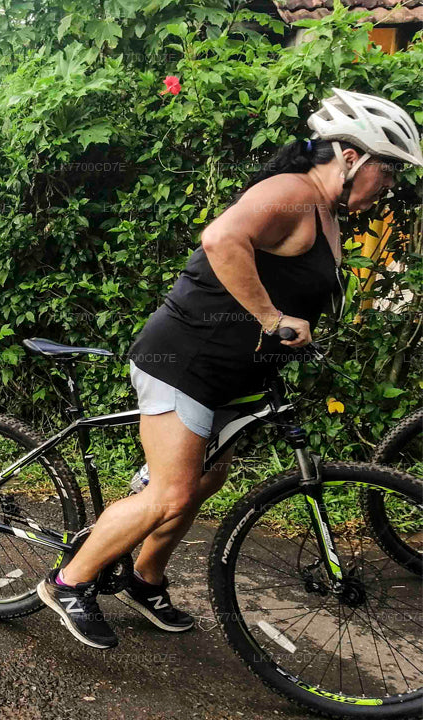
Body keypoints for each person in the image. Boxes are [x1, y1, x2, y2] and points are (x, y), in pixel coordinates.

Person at [38, 89, 421, 649]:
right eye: (387, 170)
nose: (389, 184)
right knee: (171, 493)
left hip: (235, 373)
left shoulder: (326, 210)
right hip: (187, 359)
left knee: (206, 480)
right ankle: (68, 582)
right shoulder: (291, 193)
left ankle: (144, 580)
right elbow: (220, 238)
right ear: (349, 157)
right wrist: (271, 318)